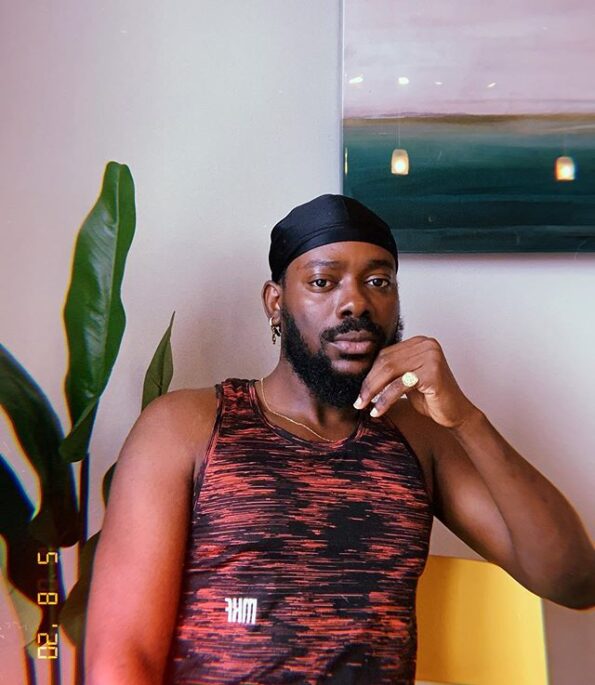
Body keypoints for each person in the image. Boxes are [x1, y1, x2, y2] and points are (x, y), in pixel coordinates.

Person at [85, 194, 595, 685]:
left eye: (378, 281)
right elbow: (122, 658)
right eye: (323, 282)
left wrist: (465, 419)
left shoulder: (417, 438)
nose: (355, 302)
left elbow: (574, 580)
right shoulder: (187, 427)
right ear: (276, 302)